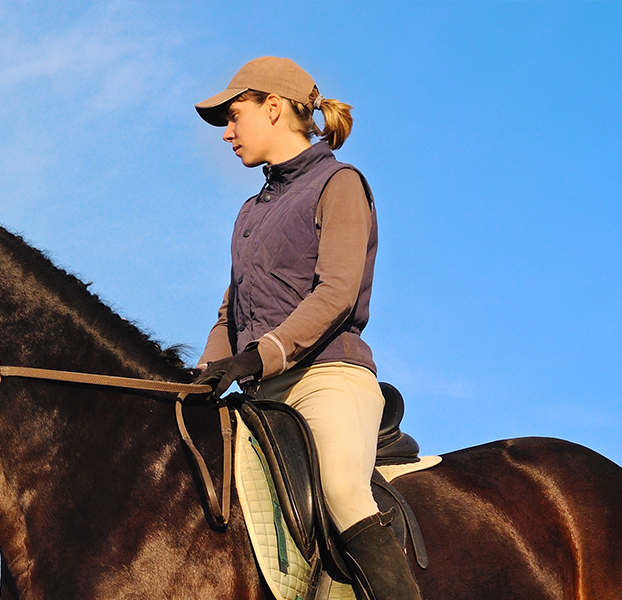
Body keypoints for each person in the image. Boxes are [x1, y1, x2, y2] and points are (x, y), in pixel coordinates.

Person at [191, 57, 423, 600]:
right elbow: (232, 313)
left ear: (273, 108)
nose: (226, 133)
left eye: (233, 116)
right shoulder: (249, 211)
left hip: (326, 378)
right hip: (259, 392)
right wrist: (203, 372)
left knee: (342, 492)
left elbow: (337, 294)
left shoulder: (339, 184)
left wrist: (258, 355)